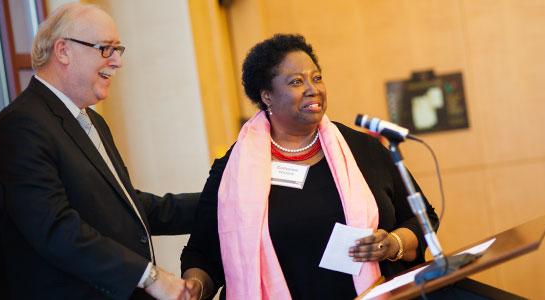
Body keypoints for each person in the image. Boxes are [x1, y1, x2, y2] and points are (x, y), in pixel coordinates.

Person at [179, 34, 439, 299]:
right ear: (267, 95)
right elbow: (203, 253)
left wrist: (393, 244)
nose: (313, 88)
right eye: (296, 82)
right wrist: (194, 286)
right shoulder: (231, 170)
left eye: (317, 78)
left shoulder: (363, 149)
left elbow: (423, 217)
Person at [0, 3, 198, 299]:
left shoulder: (92, 121)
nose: (117, 61)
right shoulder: (21, 125)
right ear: (63, 51)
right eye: (106, 48)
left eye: (118, 50)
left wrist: (219, 201)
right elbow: (55, 229)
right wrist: (149, 277)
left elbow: (125, 208)